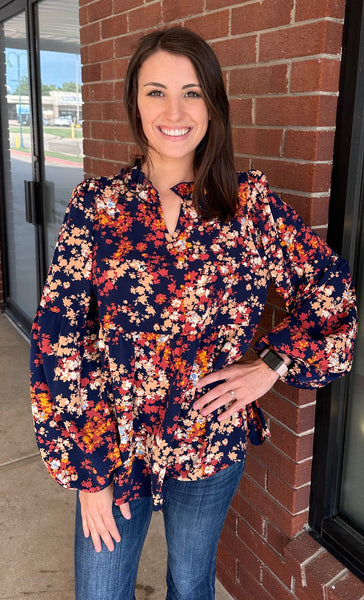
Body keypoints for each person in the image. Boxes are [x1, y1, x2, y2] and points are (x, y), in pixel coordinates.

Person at [30, 26, 357, 600]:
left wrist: (272, 365)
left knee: (190, 582)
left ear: (214, 104)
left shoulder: (249, 206)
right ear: (135, 100)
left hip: (208, 439)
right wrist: (86, 475)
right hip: (115, 443)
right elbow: (59, 344)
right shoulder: (98, 207)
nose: (174, 110)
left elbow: (333, 298)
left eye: (192, 92)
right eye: (156, 91)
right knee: (100, 589)